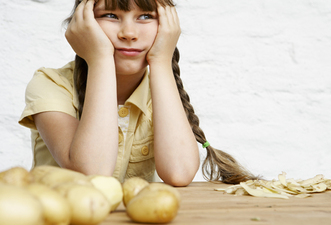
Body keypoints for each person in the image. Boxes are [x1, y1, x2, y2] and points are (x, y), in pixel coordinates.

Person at [19, 0, 257, 186]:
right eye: (111, 15)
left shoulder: (161, 94)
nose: (129, 33)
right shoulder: (50, 84)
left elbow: (179, 172)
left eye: (145, 16)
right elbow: (92, 173)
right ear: (82, 23)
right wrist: (100, 59)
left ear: (167, 25)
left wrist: (162, 61)